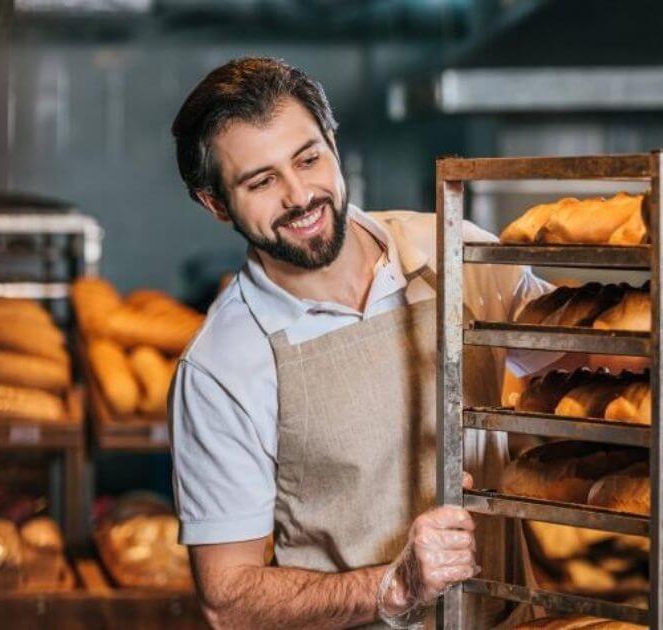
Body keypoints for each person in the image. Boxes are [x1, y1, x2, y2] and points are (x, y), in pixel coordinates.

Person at [168, 56, 554, 629]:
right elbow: (229, 600)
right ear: (216, 203)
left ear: (332, 141)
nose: (300, 197)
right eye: (262, 181)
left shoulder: (453, 255)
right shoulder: (223, 365)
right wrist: (393, 587)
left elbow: (594, 360)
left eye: (309, 159)